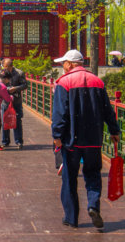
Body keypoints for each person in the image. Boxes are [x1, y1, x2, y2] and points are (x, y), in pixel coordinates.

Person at [51, 49, 121, 229]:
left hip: (71, 139)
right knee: (93, 174)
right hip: (94, 138)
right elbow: (107, 109)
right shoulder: (98, 82)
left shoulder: (64, 83)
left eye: (64, 63)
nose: (62, 66)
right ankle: (93, 206)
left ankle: (71, 217)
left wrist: (57, 135)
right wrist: (114, 130)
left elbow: (60, 113)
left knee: (69, 177)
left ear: (71, 64)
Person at [1, 58, 26, 149]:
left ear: (10, 66)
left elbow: (25, 85)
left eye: (6, 67)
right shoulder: (2, 73)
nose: (5, 68)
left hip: (16, 100)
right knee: (5, 121)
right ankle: (5, 141)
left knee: (18, 121)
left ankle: (19, 141)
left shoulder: (19, 73)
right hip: (5, 101)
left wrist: (15, 88)